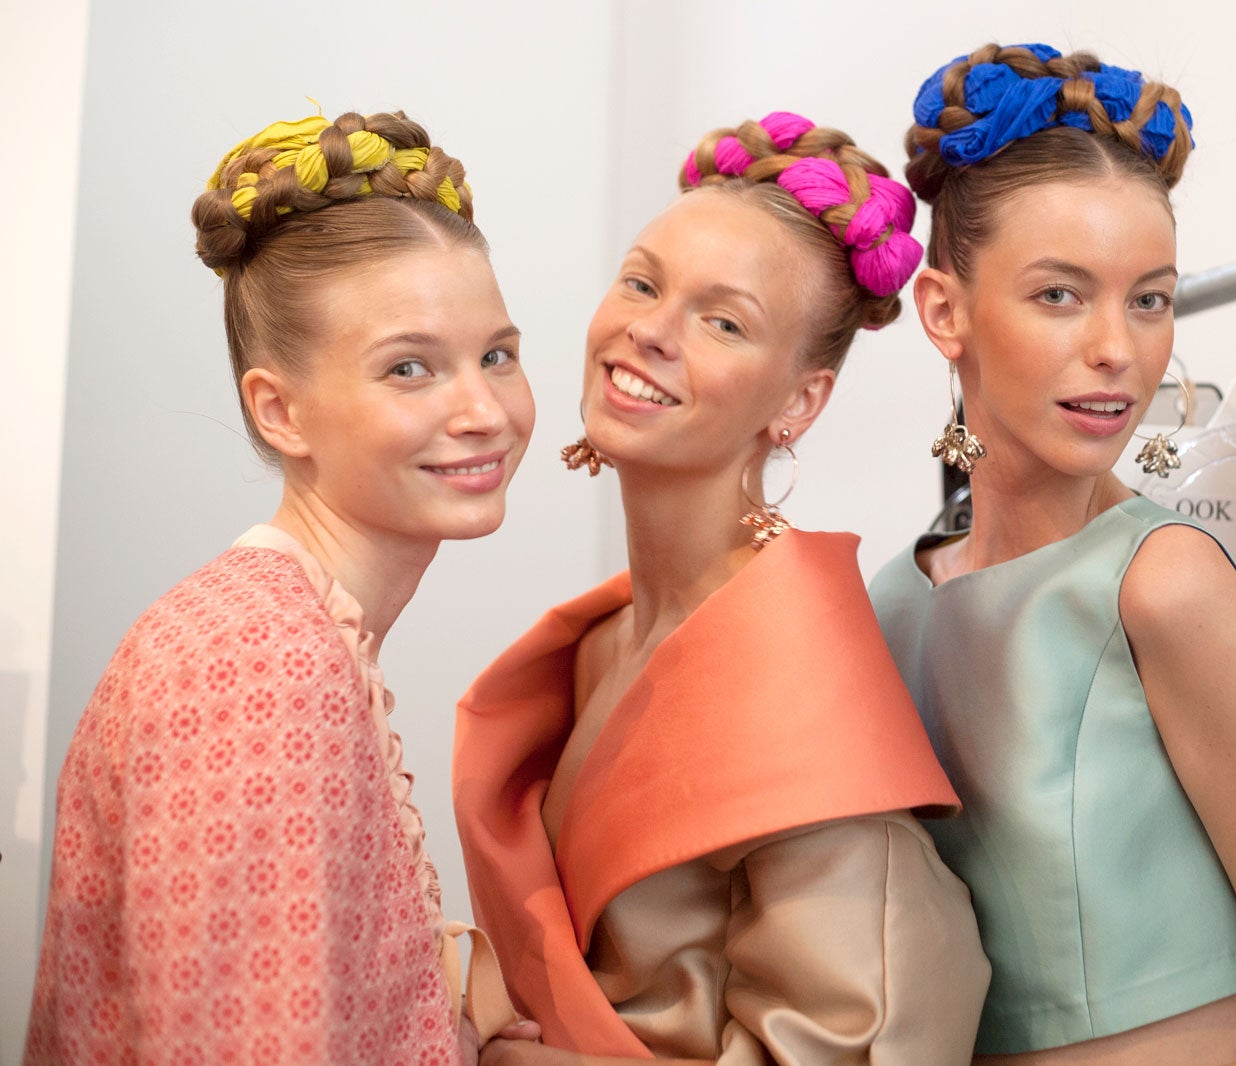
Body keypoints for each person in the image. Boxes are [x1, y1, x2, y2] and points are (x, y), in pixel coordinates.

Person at [867, 44, 1236, 1065]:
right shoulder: (892, 601)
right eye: (1060, 295)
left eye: (1149, 299)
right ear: (943, 311)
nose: (1118, 349)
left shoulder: (1164, 585)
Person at [454, 110, 989, 1065]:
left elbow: (860, 1041)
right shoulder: (601, 642)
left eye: (723, 321)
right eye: (642, 282)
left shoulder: (795, 679)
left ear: (798, 401)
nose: (650, 331)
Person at [27, 110, 536, 1065]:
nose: (483, 410)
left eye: (497, 355)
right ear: (279, 411)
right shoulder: (257, 669)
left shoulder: (288, 633)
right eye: (410, 368)